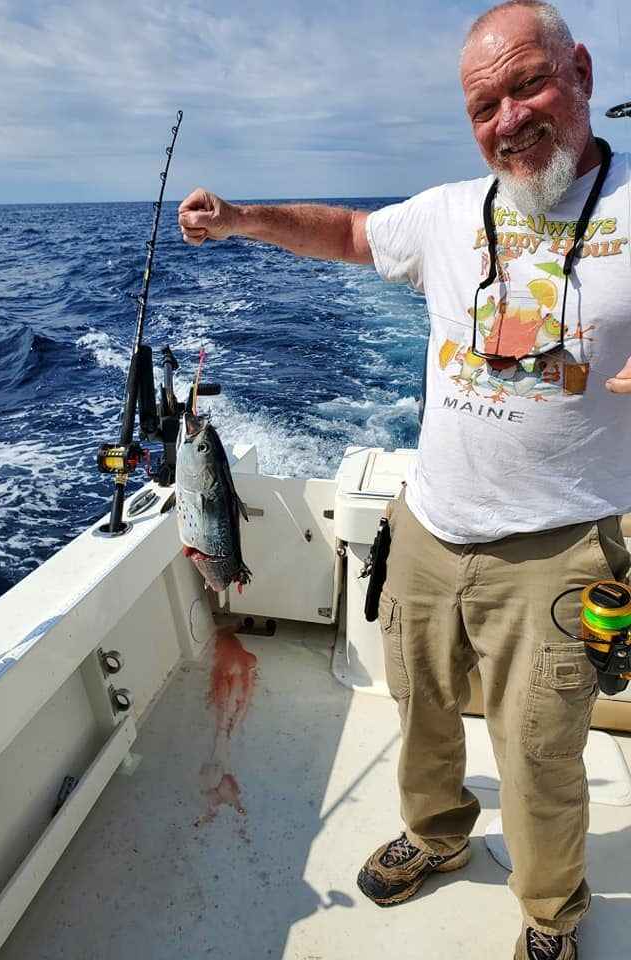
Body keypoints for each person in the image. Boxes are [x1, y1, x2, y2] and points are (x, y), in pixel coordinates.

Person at [177, 2, 631, 957]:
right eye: (484, 105)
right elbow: (346, 232)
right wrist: (242, 219)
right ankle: (436, 835)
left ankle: (552, 914)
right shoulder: (447, 214)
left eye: (527, 85)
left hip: (557, 550)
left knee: (542, 752)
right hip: (428, 529)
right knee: (418, 708)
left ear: (581, 71)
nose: (508, 119)